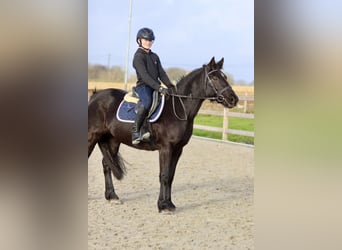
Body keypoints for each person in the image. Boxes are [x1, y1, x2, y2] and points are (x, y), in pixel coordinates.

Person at [131, 27, 174, 145]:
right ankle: (135, 131)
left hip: (154, 86)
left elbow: (161, 73)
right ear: (139, 40)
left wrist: (170, 86)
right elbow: (145, 76)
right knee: (147, 102)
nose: (148, 42)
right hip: (144, 86)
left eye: (150, 40)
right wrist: (159, 88)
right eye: (145, 40)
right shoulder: (138, 56)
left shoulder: (155, 56)